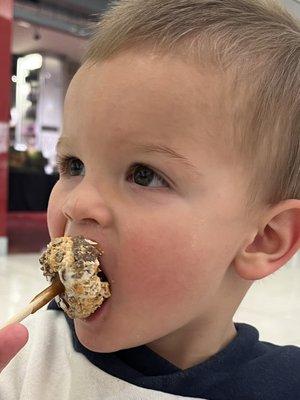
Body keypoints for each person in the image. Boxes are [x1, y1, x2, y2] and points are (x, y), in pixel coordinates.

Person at [1, 0, 300, 398]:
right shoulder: (26, 354)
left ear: (263, 238)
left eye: (144, 175)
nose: (76, 204)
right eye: (74, 165)